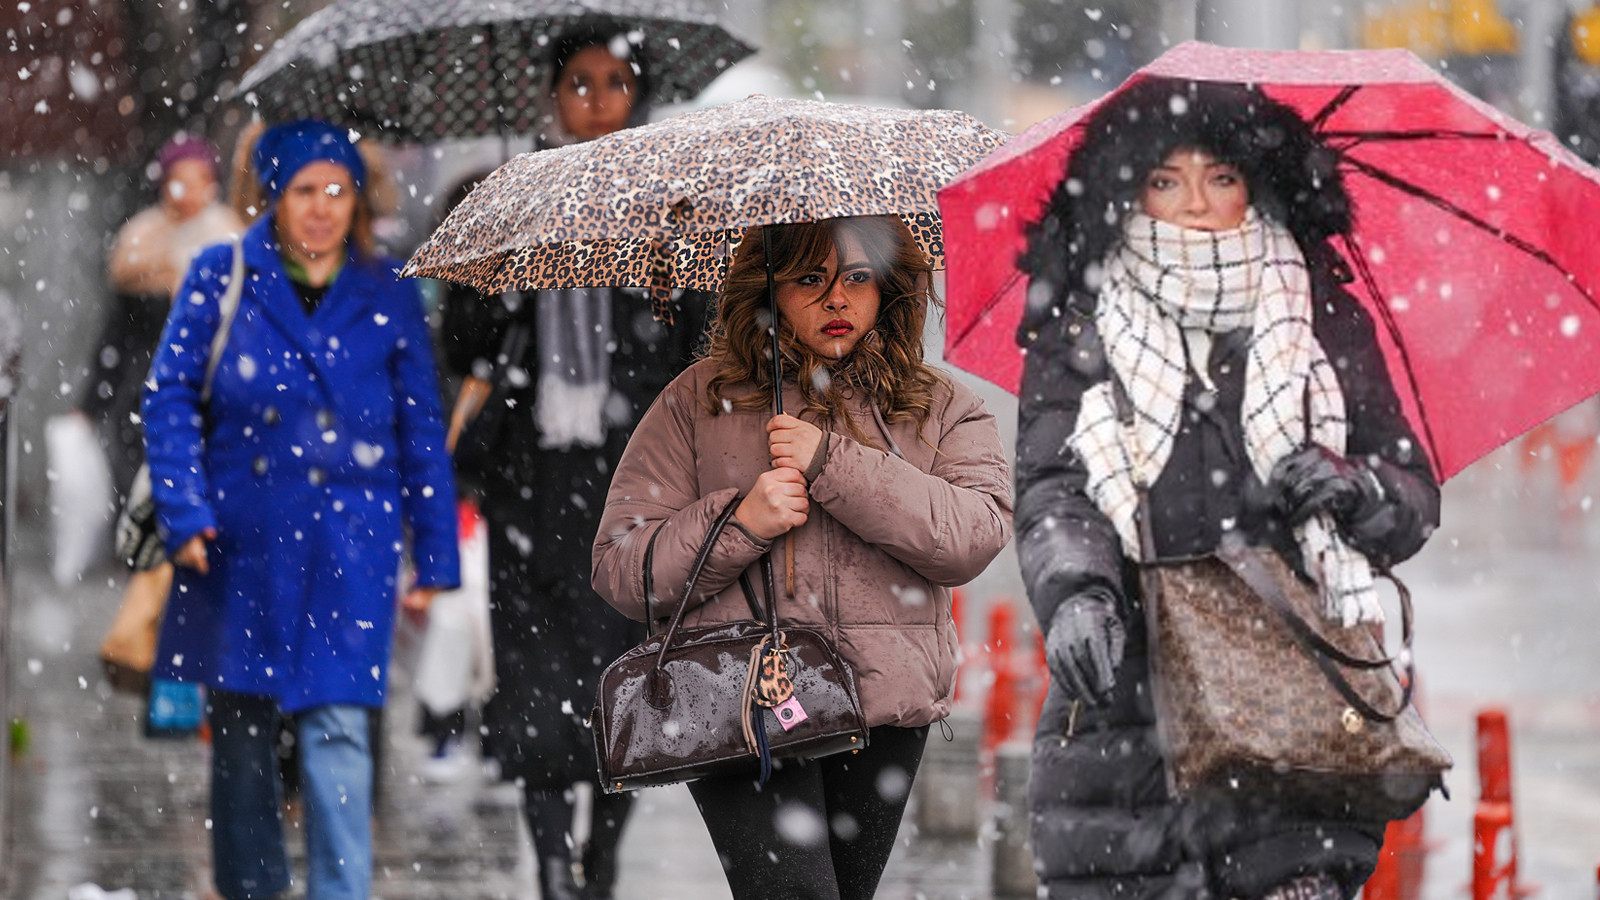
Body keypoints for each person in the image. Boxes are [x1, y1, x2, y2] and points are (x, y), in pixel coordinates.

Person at [1014, 79, 1442, 900]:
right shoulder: (1082, 324)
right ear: (1126, 193)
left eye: (1221, 178)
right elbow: (1055, 490)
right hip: (1129, 716)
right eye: (1165, 182)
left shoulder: (1321, 313)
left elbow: (1410, 492)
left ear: (1259, 183)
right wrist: (1078, 595)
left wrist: (1353, 490)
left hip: (1294, 709)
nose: (1197, 205)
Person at [591, 215, 1013, 900]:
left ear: (889, 287)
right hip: (740, 702)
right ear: (768, 289)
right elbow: (621, 567)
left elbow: (973, 534)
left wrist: (833, 464)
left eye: (856, 278)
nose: (837, 300)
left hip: (881, 707)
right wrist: (741, 522)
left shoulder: (941, 407)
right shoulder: (696, 403)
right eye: (810, 280)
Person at [143, 119, 460, 900]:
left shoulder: (386, 294)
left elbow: (420, 428)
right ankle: (253, 889)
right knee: (243, 733)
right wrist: (182, 510)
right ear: (272, 198)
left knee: (340, 726)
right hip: (240, 535)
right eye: (303, 191)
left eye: (337, 191)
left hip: (351, 543)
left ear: (358, 199)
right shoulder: (221, 274)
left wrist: (436, 553)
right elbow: (170, 396)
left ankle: (339, 891)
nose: (321, 208)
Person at [437, 29, 705, 900]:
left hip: (632, 489)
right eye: (578, 83)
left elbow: (694, 347)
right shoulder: (505, 198)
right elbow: (462, 345)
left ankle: (605, 859)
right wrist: (506, 274)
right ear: (551, 97)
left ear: (640, 95)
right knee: (532, 689)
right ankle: (552, 862)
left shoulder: (669, 208)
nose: (595, 101)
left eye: (615, 82)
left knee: (622, 685)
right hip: (532, 488)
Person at [87, 132, 243, 497]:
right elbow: (115, 336)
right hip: (143, 395)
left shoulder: (229, 238)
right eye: (178, 181)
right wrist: (90, 404)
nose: (188, 192)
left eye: (198, 181)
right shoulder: (140, 241)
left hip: (212, 393)